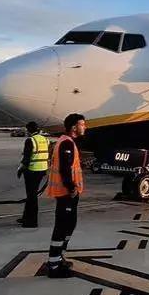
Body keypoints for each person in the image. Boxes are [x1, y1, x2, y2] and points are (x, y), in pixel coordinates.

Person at [45, 113, 87, 278]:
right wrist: (71, 187)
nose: (85, 127)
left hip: (69, 193)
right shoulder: (66, 143)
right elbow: (64, 169)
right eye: (82, 124)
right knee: (62, 227)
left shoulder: (67, 142)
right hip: (65, 193)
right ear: (74, 127)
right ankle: (54, 266)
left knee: (70, 224)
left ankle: (59, 256)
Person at [17, 121, 50, 228]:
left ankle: (32, 221)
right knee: (31, 195)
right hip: (42, 170)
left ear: (29, 130)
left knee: (31, 196)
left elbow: (26, 158)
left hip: (32, 171)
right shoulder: (45, 140)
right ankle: (26, 217)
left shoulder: (30, 140)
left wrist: (20, 170)